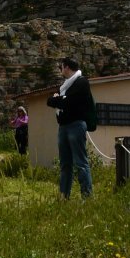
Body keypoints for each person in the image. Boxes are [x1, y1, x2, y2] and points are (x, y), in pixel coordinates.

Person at [46, 57, 93, 199]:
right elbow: (50, 100)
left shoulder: (81, 82)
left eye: (61, 67)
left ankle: (86, 196)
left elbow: (69, 102)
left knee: (80, 163)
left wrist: (58, 99)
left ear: (66, 67)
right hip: (63, 126)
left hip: (76, 125)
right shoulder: (64, 86)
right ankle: (64, 195)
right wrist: (60, 99)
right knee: (65, 164)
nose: (60, 70)